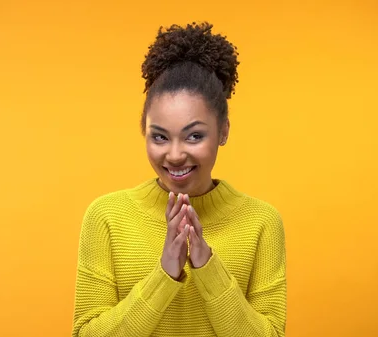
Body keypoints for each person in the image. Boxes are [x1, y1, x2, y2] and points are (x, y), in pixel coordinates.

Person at [71, 22, 286, 337]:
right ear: (144, 130)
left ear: (223, 131)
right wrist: (165, 273)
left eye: (194, 136)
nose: (174, 155)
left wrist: (206, 267)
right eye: (159, 137)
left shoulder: (261, 222)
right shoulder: (106, 216)